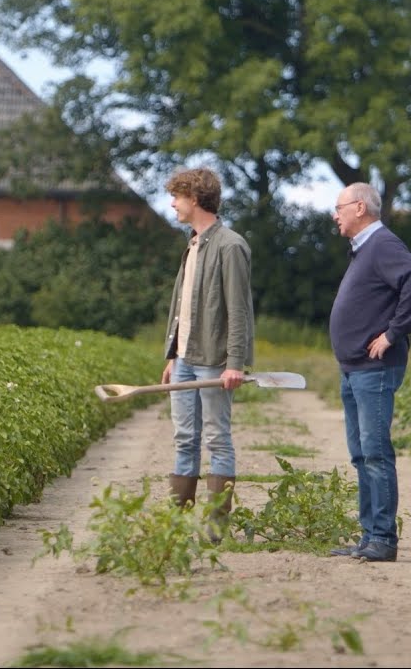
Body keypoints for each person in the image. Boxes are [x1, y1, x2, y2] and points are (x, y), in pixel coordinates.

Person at [327, 182, 411, 563]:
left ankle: (383, 540)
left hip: (374, 369)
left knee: (375, 453)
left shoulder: (383, 244)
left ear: (358, 207)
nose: (334, 216)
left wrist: (392, 332)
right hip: (353, 368)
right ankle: (369, 536)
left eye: (338, 208)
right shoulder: (362, 249)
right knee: (360, 454)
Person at [160, 167, 254, 543]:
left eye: (177, 197)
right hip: (184, 359)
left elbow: (239, 310)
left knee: (216, 438)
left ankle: (215, 527)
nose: (172, 204)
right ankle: (179, 526)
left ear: (195, 199)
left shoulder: (231, 246)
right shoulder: (193, 244)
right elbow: (181, 308)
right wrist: (172, 356)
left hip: (214, 360)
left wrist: (235, 363)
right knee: (184, 437)